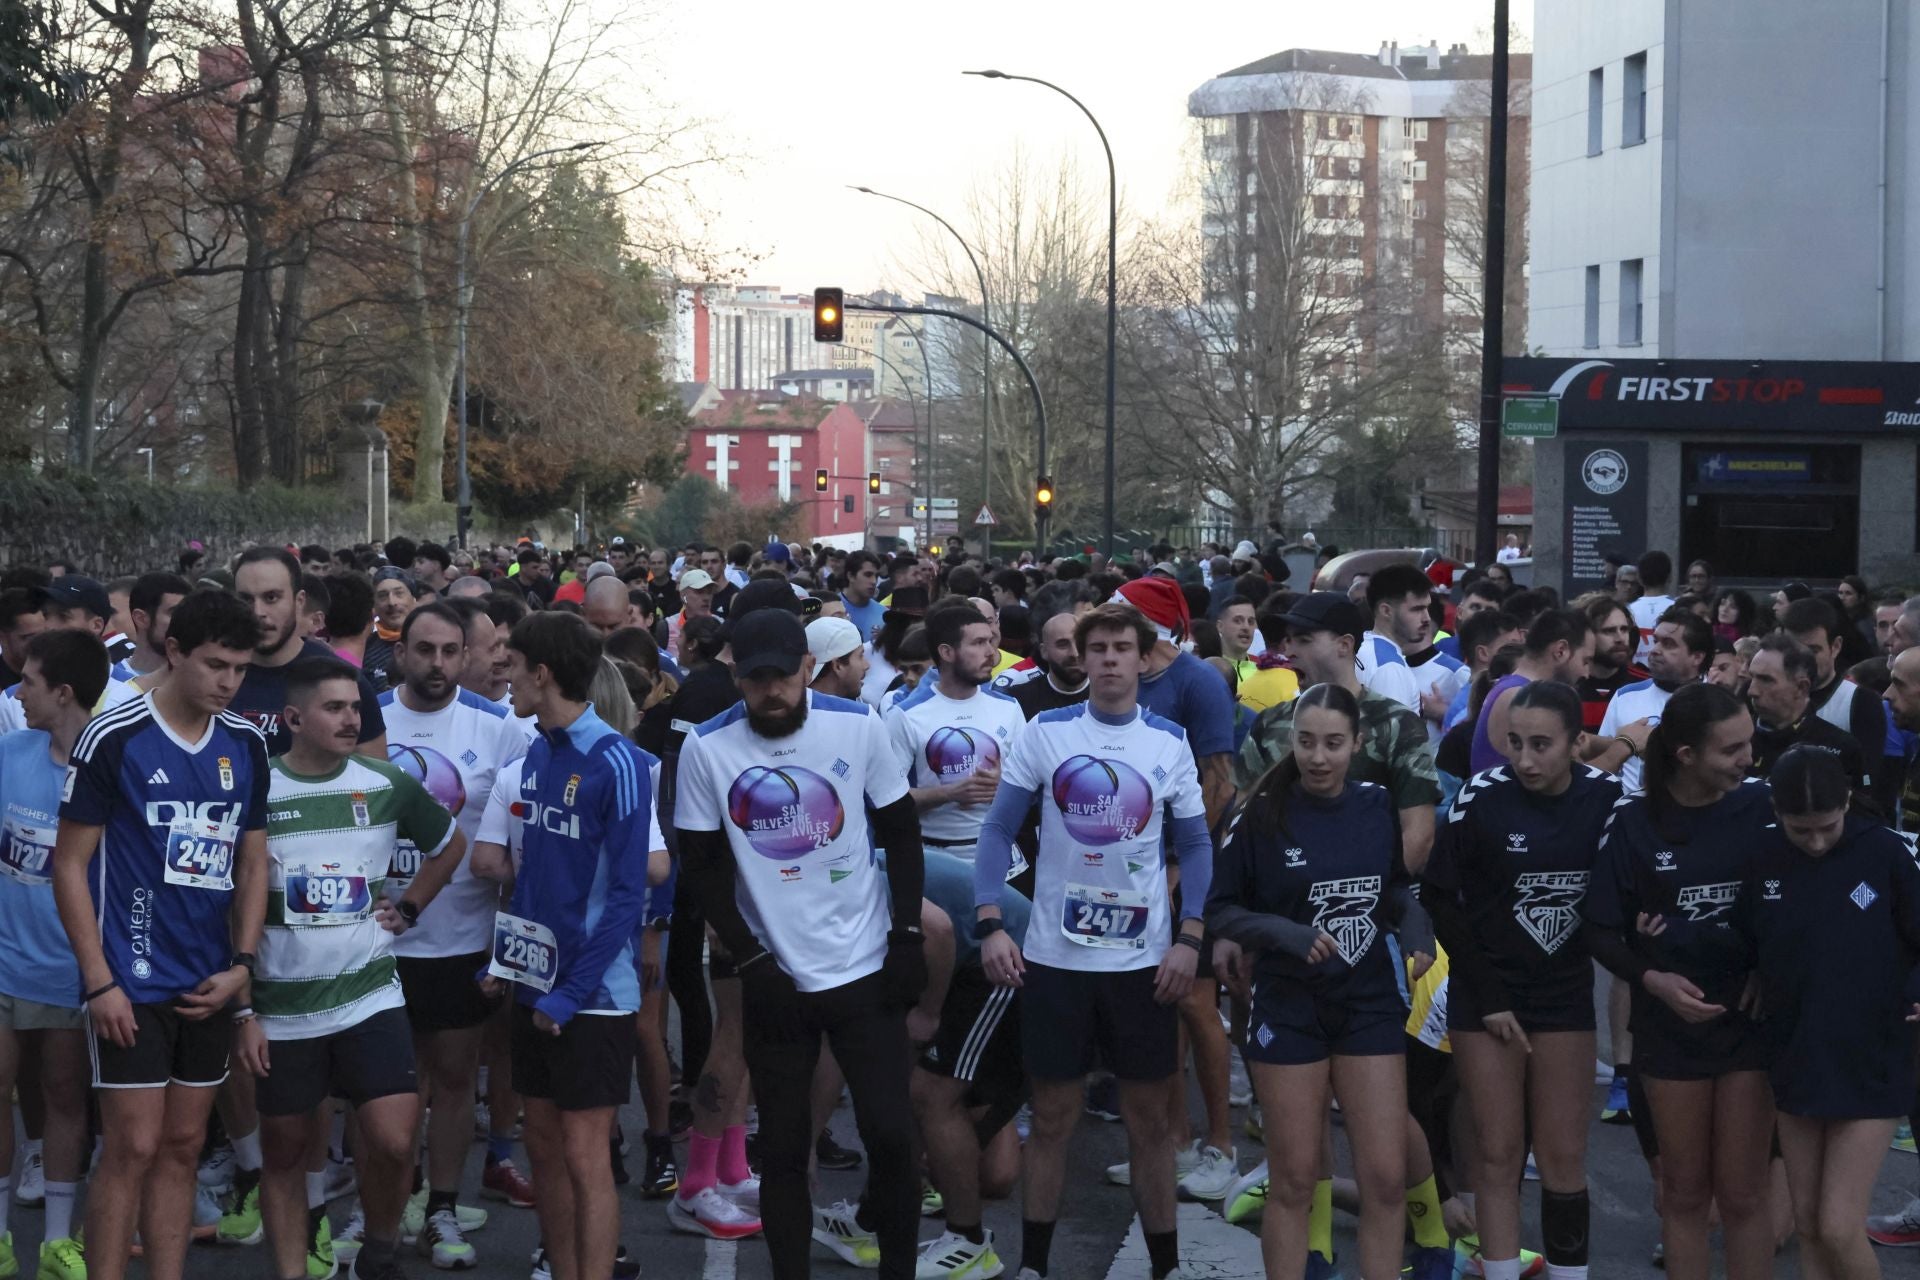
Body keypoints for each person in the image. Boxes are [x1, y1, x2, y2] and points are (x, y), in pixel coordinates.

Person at [676, 608, 928, 1280]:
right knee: (784, 1150)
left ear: (808, 669)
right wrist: (751, 960)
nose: (771, 692)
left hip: (863, 966)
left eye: (783, 677)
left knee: (893, 1137)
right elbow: (700, 865)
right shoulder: (707, 748)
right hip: (775, 978)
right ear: (736, 676)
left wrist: (905, 934)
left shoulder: (858, 726)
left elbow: (900, 832)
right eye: (755, 680)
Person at [971, 603, 1213, 1280]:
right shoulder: (1045, 732)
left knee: (1151, 1123)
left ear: (1143, 660)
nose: (1108, 659)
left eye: (1120, 648)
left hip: (1144, 964)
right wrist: (990, 920)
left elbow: (1194, 843)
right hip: (1055, 958)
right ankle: (1035, 1267)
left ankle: (1166, 1266)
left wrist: (1189, 935)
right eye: (1097, 648)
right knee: (1052, 1119)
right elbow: (996, 831)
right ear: (1081, 657)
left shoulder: (1167, 741)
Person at [50, 588, 271, 1280]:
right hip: (130, 979)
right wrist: (99, 980)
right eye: (215, 665)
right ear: (173, 652)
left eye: (239, 668)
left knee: (181, 1146)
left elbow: (253, 860)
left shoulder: (247, 742)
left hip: (209, 978)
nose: (228, 682)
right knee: (133, 1147)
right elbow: (69, 863)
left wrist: (242, 966)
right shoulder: (114, 734)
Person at [245, 656, 468, 1280]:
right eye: (334, 708)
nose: (352, 719)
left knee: (396, 1140)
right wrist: (243, 1007)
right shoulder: (255, 788)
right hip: (281, 1005)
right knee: (286, 1152)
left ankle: (379, 1249)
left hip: (369, 991)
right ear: (293, 718)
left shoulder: (383, 782)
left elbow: (450, 844)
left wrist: (413, 904)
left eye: (356, 708)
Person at [1206, 682, 1435, 1280]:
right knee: (1295, 1180)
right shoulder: (1258, 811)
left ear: (1356, 744)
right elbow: (1222, 910)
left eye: (1334, 744)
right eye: (1306, 742)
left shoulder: (1375, 804)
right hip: (1287, 1006)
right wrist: (1283, 933)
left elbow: (1393, 891)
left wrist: (1416, 932)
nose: (1318, 757)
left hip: (1366, 1004)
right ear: (1291, 740)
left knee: (1385, 1179)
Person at [471, 612, 654, 1280]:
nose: (504, 674)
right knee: (544, 1150)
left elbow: (629, 898)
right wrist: (508, 963)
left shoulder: (622, 763)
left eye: (512, 664)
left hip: (595, 998)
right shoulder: (537, 754)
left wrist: (572, 994)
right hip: (535, 989)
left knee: (584, 1155)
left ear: (542, 673)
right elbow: (537, 884)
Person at [1425, 681, 1621, 1280]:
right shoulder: (1483, 796)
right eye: (1515, 743)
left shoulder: (1609, 799)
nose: (1526, 760)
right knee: (1498, 1152)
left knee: (1563, 1155)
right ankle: (1501, 1270)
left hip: (1563, 996)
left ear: (1576, 742)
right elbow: (1439, 895)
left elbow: (1627, 893)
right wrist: (1488, 995)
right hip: (1487, 996)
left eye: (1542, 744)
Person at [1582, 682, 1774, 1280]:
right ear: (1687, 755)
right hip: (1669, 1029)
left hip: (1749, 1025)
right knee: (1685, 1194)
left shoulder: (1762, 805)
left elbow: (1803, 900)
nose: (1749, 759)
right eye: (1733, 749)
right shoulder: (1635, 819)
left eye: (1750, 743)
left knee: (1743, 1195)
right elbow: (1598, 930)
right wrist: (1653, 978)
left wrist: (1770, 967)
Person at [375, 601, 531, 1266]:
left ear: (464, 656)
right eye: (424, 650)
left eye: (448, 652)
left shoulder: (499, 727)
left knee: (455, 1076)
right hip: (374, 936)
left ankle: (440, 1208)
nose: (436, 664)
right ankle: (381, 1208)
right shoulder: (368, 716)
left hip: (462, 936)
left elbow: (519, 837)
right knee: (383, 1086)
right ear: (401, 653)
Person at [1738, 746, 1920, 1280]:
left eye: (1827, 827)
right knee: (1811, 1225)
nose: (1816, 841)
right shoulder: (1762, 856)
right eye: (1801, 830)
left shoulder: (1886, 853)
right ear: (1776, 811)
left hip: (1872, 1054)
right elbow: (1749, 940)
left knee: (1840, 1225)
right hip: (1796, 1050)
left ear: (1846, 803)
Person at [0, 632, 108, 1280]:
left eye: (30, 681)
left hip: (72, 971)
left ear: (62, 693)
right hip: (4, 960)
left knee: (64, 1096)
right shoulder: (9, 752)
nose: (18, 692)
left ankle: (58, 1242)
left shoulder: (112, 765)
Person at [912, 852, 1033, 1279]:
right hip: (981, 965)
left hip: (998, 962)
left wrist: (930, 1012)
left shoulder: (855, 873)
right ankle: (876, 1215)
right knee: (995, 1173)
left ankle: (967, 1241)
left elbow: (939, 931)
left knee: (930, 1096)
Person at [886, 600, 1027, 864]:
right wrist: (948, 794)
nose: (991, 653)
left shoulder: (1008, 707)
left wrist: (1006, 785)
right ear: (947, 652)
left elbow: (1034, 786)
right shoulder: (906, 715)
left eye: (990, 641)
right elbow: (888, 800)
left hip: (1001, 856)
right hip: (935, 860)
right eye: (977, 644)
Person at [230, 547, 388, 758]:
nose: (258, 612)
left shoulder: (341, 679)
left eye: (271, 598)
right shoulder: (214, 674)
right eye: (246, 600)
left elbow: (375, 778)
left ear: (299, 601)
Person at [1782, 598, 1900, 816]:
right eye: (1795, 652)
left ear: (1835, 646)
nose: (1804, 661)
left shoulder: (1860, 702)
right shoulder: (1766, 696)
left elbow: (1868, 788)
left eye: (1813, 650)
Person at [1592, 607, 1712, 791]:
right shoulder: (1625, 696)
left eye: (1668, 644)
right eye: (1655, 641)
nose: (1655, 650)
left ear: (1696, 657)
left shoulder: (1717, 705)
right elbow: (1605, 759)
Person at [1471, 608, 1596, 776]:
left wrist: (1614, 742)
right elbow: (1569, 781)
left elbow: (1583, 740)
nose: (1586, 674)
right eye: (1585, 661)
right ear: (1561, 651)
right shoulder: (1522, 698)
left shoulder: (1513, 689)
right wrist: (1624, 746)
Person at [1745, 633, 1870, 798]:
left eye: (1766, 680)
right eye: (1752, 677)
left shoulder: (1841, 747)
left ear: (1801, 687)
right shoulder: (1736, 740)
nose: (1752, 690)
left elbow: (1860, 813)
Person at [1356, 564, 1437, 717]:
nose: (1426, 618)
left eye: (1427, 608)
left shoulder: (1364, 649)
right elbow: (1394, 737)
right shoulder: (1389, 667)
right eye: (1417, 609)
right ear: (1386, 611)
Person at [1627, 552, 1677, 667]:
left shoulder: (1626, 611)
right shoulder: (1680, 608)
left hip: (1635, 676)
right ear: (1670, 577)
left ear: (1639, 578)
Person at [805, 616, 869, 701]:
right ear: (838, 666)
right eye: (860, 656)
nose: (867, 665)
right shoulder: (864, 713)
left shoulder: (791, 707)